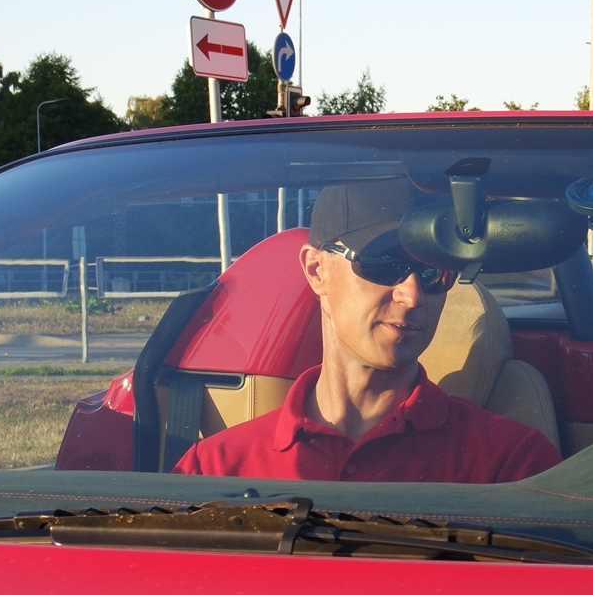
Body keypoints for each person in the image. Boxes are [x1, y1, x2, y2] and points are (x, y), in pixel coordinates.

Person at [175, 179, 561, 482]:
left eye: (434, 272)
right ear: (316, 270)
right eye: (384, 264)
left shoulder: (513, 467)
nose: (413, 295)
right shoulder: (212, 471)